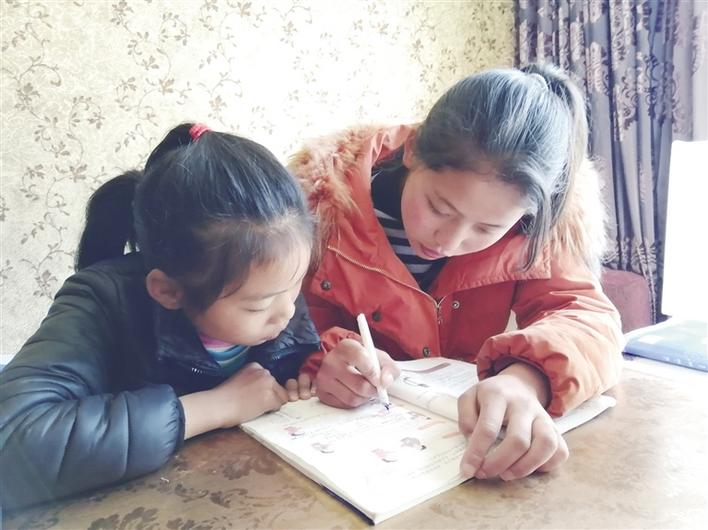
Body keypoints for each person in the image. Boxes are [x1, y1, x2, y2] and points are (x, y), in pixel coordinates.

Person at [290, 64, 624, 483]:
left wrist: (527, 379)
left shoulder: (537, 227)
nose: (449, 240)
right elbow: (282, 327)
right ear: (412, 151)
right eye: (439, 208)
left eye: (487, 228)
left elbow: (589, 319)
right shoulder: (320, 210)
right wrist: (325, 358)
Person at [0, 123, 320, 509]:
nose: (287, 311)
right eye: (258, 305)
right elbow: (13, 439)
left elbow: (291, 374)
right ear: (169, 291)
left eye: (296, 285)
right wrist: (214, 407)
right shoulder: (102, 300)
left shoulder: (272, 289)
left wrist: (329, 371)